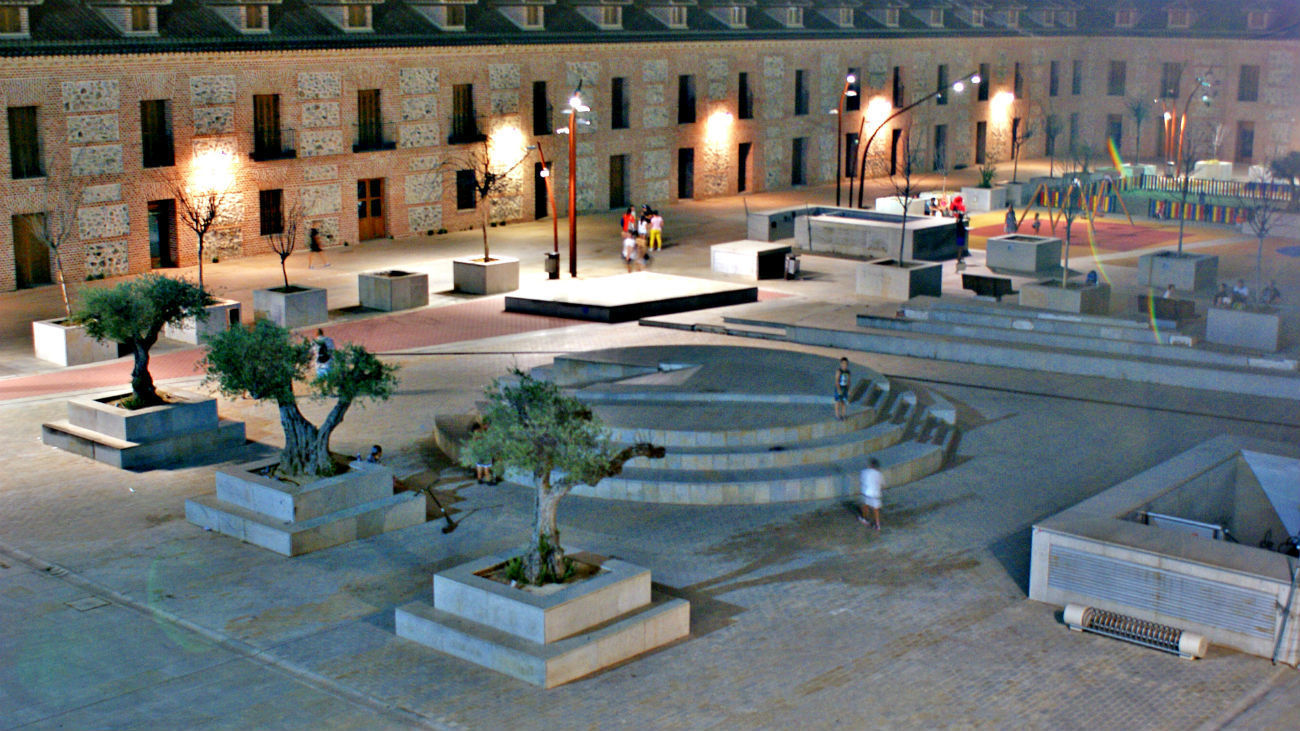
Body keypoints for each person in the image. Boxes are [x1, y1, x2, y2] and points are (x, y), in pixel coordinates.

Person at [859, 458, 883, 531]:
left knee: (865, 506)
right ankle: (877, 525)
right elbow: (881, 483)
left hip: (867, 492)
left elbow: (862, 481)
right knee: (876, 510)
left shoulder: (864, 472)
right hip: (876, 493)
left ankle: (865, 519)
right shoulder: (879, 474)